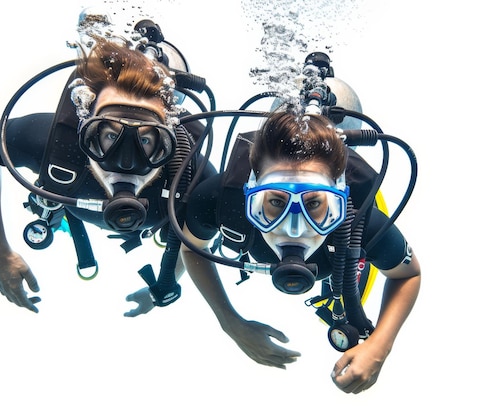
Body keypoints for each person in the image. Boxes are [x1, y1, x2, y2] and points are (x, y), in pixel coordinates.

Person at [0, 25, 216, 314]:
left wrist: (165, 283)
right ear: (85, 129)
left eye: (146, 140)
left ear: (167, 142)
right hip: (73, 205)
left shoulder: (189, 174)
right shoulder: (51, 144)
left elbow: (191, 243)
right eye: (110, 135)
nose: (125, 163)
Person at [179, 108, 421, 394]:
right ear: (250, 193)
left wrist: (381, 344)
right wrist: (229, 322)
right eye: (277, 203)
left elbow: (408, 274)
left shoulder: (359, 222)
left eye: (315, 204)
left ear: (339, 202)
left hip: (342, 251)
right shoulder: (221, 198)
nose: (294, 229)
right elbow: (192, 249)